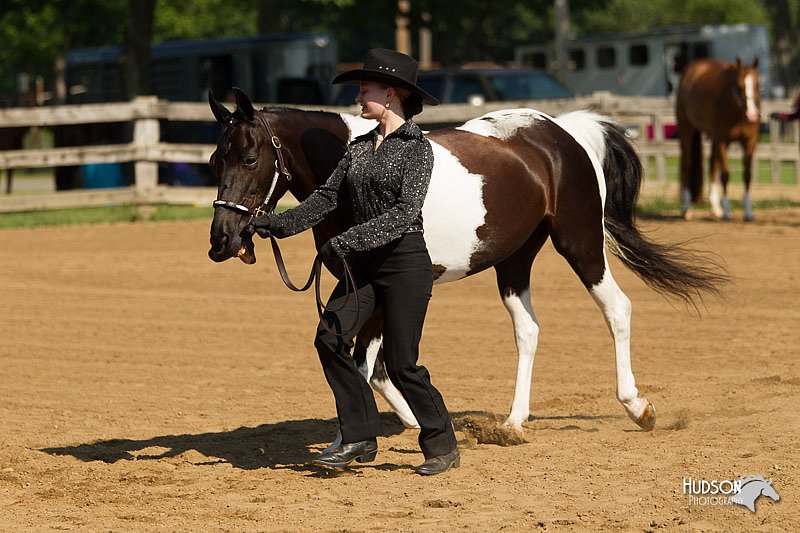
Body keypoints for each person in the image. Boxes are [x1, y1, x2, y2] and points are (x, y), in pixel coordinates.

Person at [245, 49, 460, 476]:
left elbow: (403, 214)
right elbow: (326, 198)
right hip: (362, 267)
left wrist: (345, 240)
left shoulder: (418, 149)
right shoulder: (358, 148)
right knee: (329, 339)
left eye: (366, 90)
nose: (359, 98)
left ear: (392, 93)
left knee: (402, 365)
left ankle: (441, 443)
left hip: (404, 264)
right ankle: (359, 435)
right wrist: (274, 225)